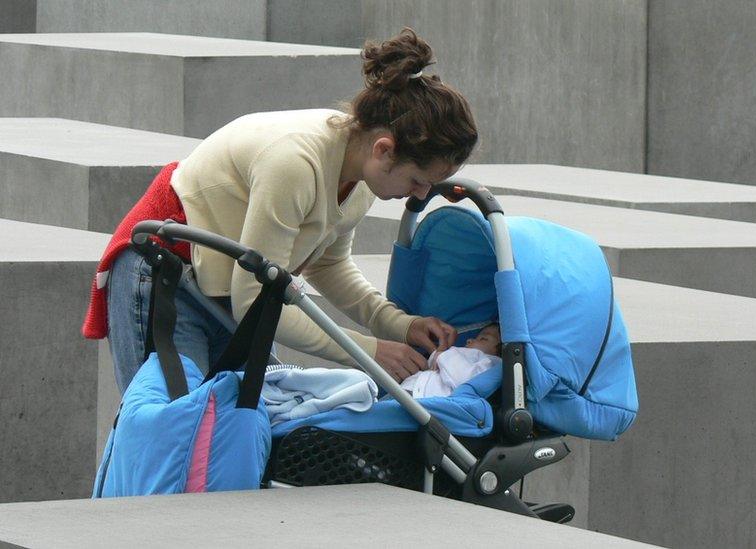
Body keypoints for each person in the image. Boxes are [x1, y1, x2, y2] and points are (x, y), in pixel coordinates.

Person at [81, 28, 479, 392]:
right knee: (171, 435)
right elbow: (253, 301)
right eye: (418, 180)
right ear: (385, 150)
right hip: (166, 270)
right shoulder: (296, 163)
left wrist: (400, 325)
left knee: (239, 435)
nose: (422, 194)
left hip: (220, 286)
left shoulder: (363, 177)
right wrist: (370, 352)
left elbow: (329, 265)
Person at [399, 323, 502, 399]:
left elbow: (463, 379)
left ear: (499, 350)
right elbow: (433, 364)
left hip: (422, 397)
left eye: (483, 339)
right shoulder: (462, 355)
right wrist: (438, 353)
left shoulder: (489, 363)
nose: (469, 340)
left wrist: (443, 355)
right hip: (410, 388)